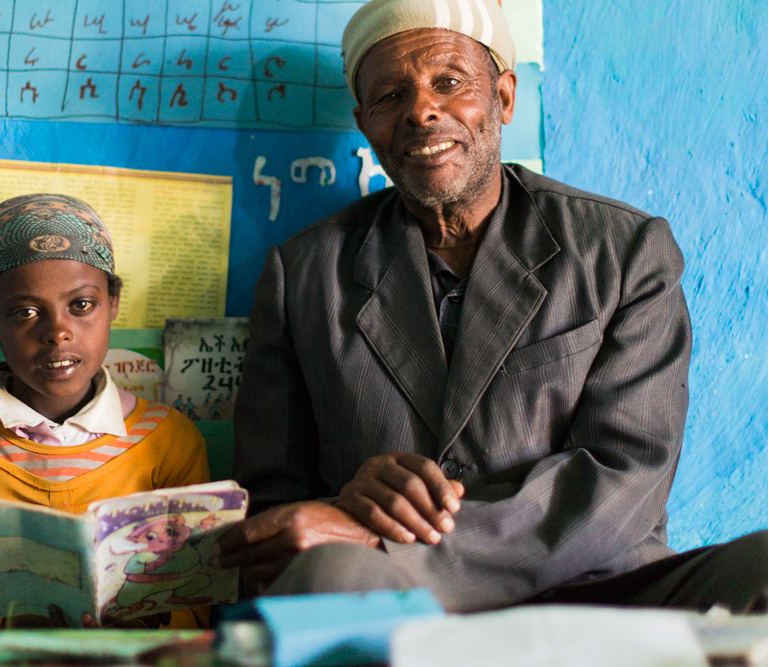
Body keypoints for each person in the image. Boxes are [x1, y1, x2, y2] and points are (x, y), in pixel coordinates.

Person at [219, 0, 768, 613]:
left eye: (449, 82)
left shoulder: (621, 250)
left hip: (599, 590)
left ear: (504, 97)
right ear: (364, 123)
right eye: (390, 96)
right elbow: (272, 513)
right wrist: (348, 507)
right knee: (327, 580)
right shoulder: (304, 275)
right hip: (394, 594)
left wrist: (398, 543)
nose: (421, 110)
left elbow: (626, 473)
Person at [0, 194, 210, 629]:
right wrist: (16, 622)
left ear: (113, 301)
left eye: (82, 305)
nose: (58, 332)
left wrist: (138, 627)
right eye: (26, 311)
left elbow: (194, 606)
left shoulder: (167, 439)